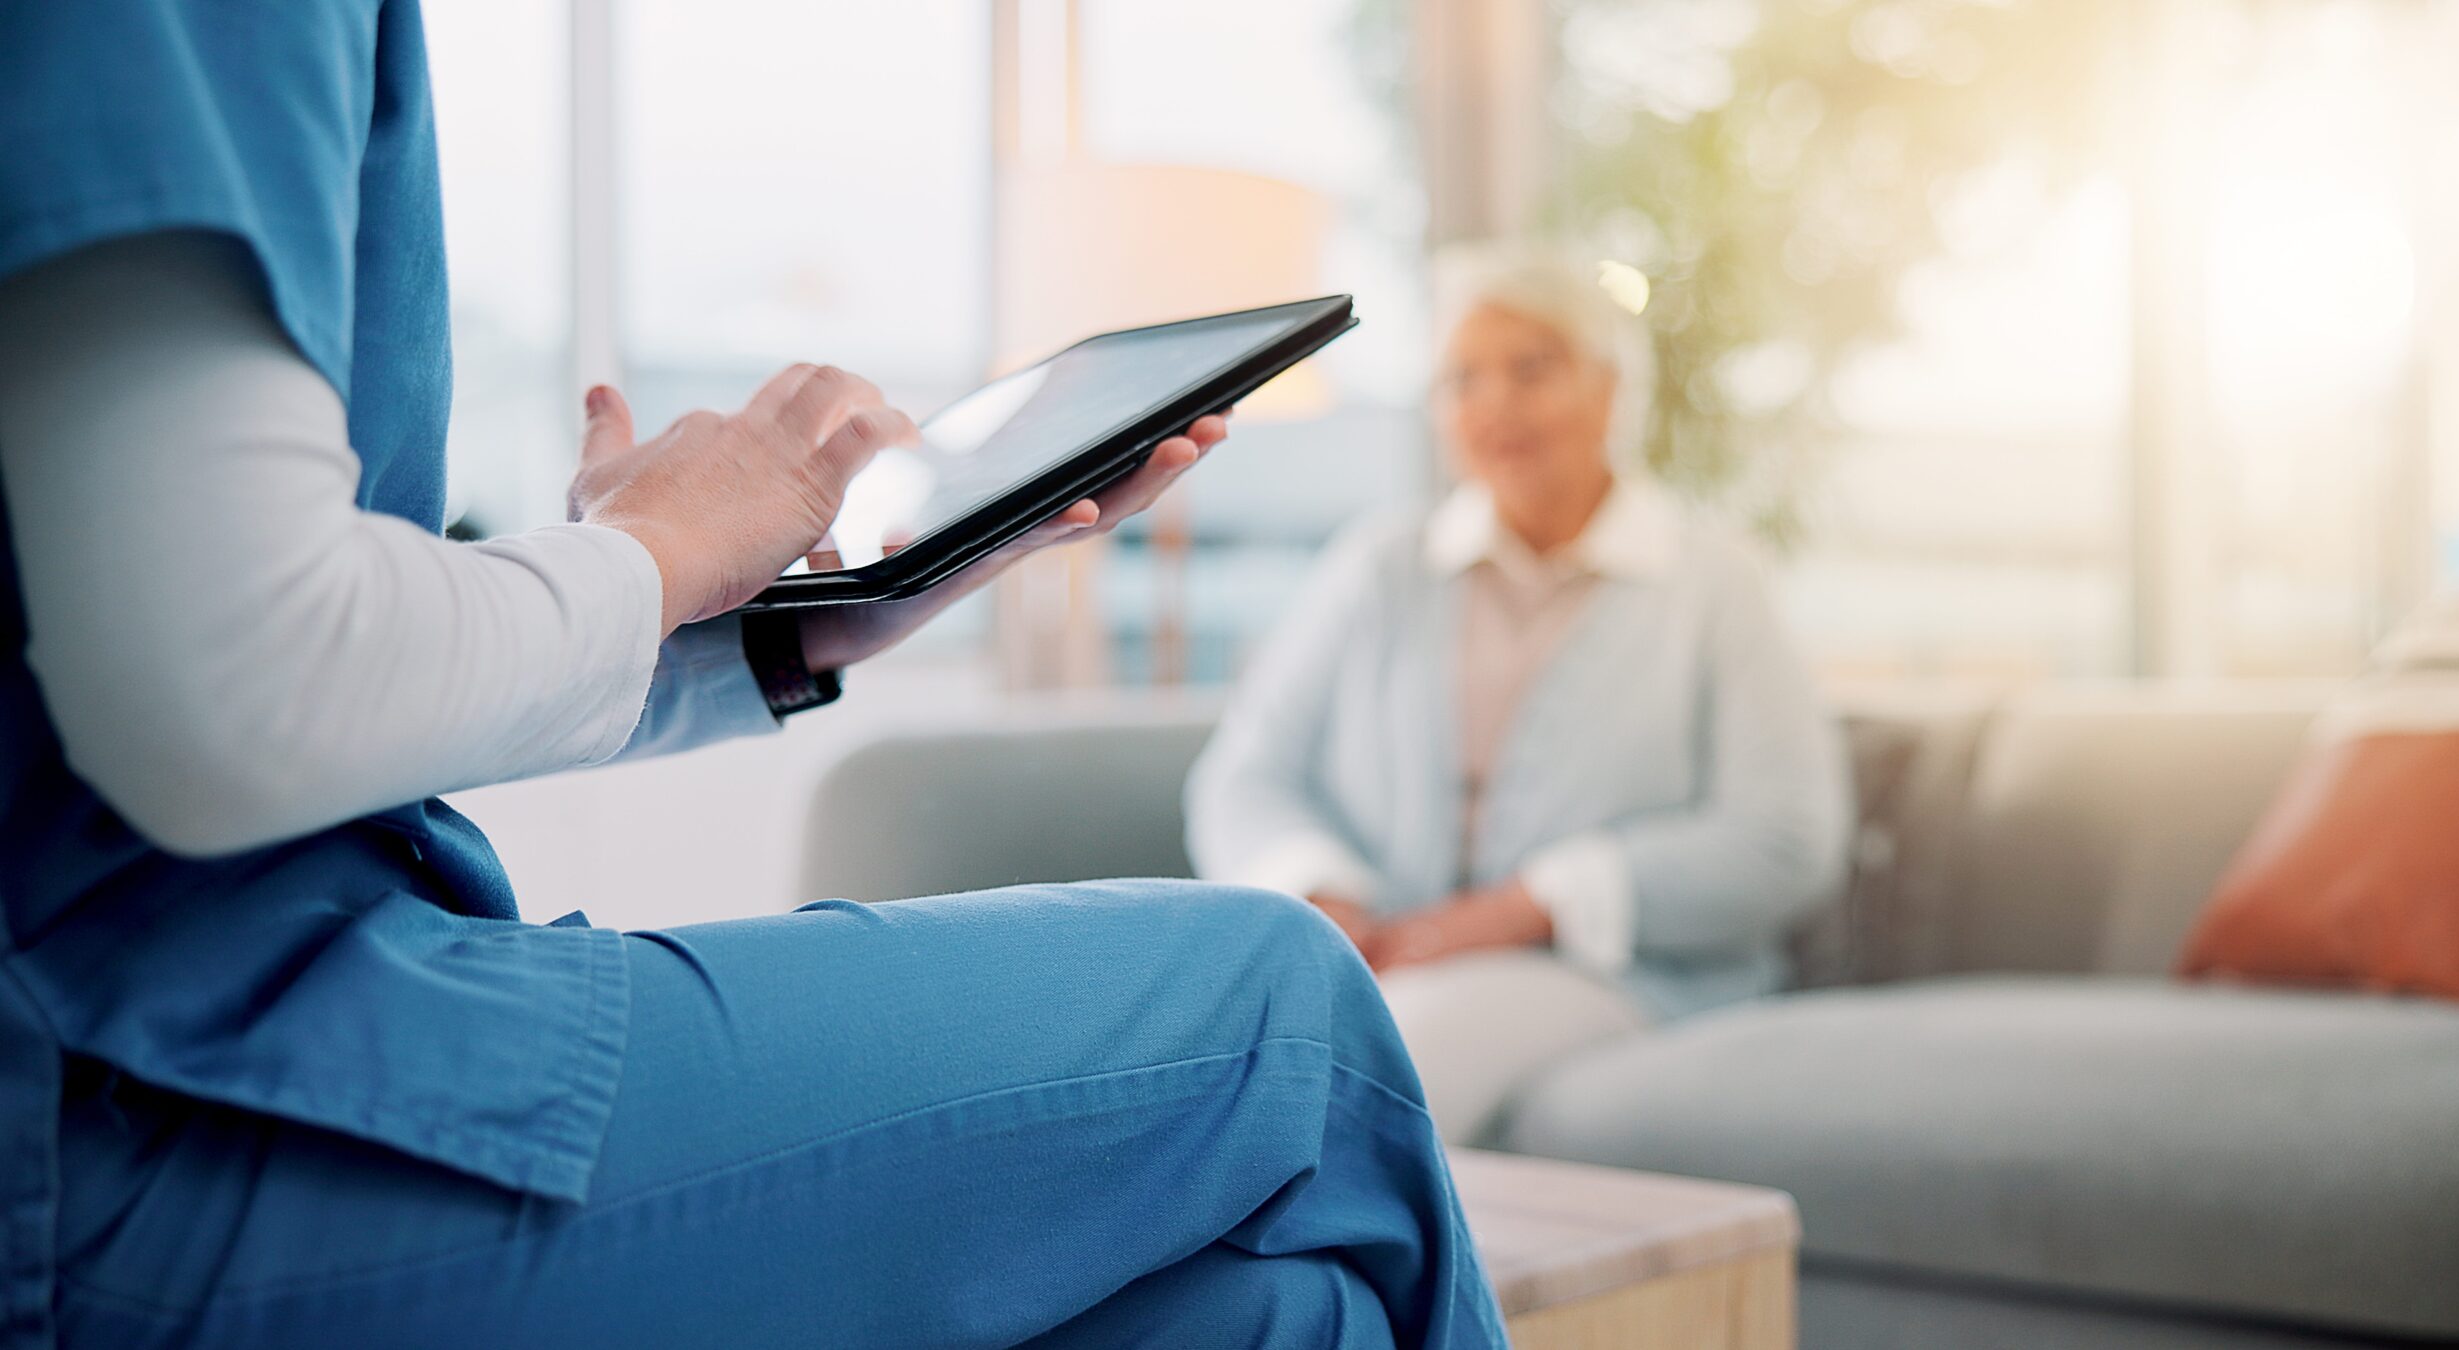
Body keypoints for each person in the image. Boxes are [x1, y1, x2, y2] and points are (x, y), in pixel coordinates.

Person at [0, 6, 1505, 1347]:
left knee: (1279, 1315)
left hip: (196, 1039)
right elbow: (230, 691)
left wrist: (774, 612)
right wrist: (654, 546)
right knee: (1283, 1014)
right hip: (139, 1105)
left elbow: (197, 649)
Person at [1186, 246, 1852, 1146]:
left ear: (1611, 390)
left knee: (1379, 1064)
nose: (1494, 403)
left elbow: (1786, 837)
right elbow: (1245, 779)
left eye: (1532, 370)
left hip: (1612, 975)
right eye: (1463, 379)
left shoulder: (1714, 583)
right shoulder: (1380, 567)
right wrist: (1326, 896)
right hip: (1371, 962)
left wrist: (1528, 905)